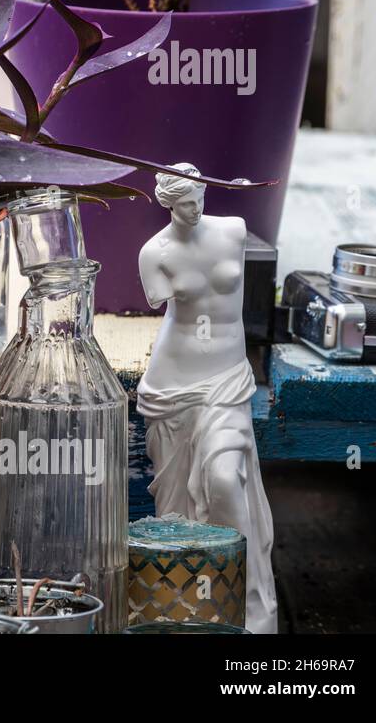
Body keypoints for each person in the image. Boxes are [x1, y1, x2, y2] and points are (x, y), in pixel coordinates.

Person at [137, 164, 277, 633]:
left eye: (198, 197)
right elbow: (160, 306)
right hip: (174, 388)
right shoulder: (153, 253)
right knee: (177, 511)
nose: (194, 208)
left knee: (223, 479)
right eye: (183, 203)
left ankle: (253, 612)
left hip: (227, 380)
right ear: (167, 203)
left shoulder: (233, 230)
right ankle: (187, 611)